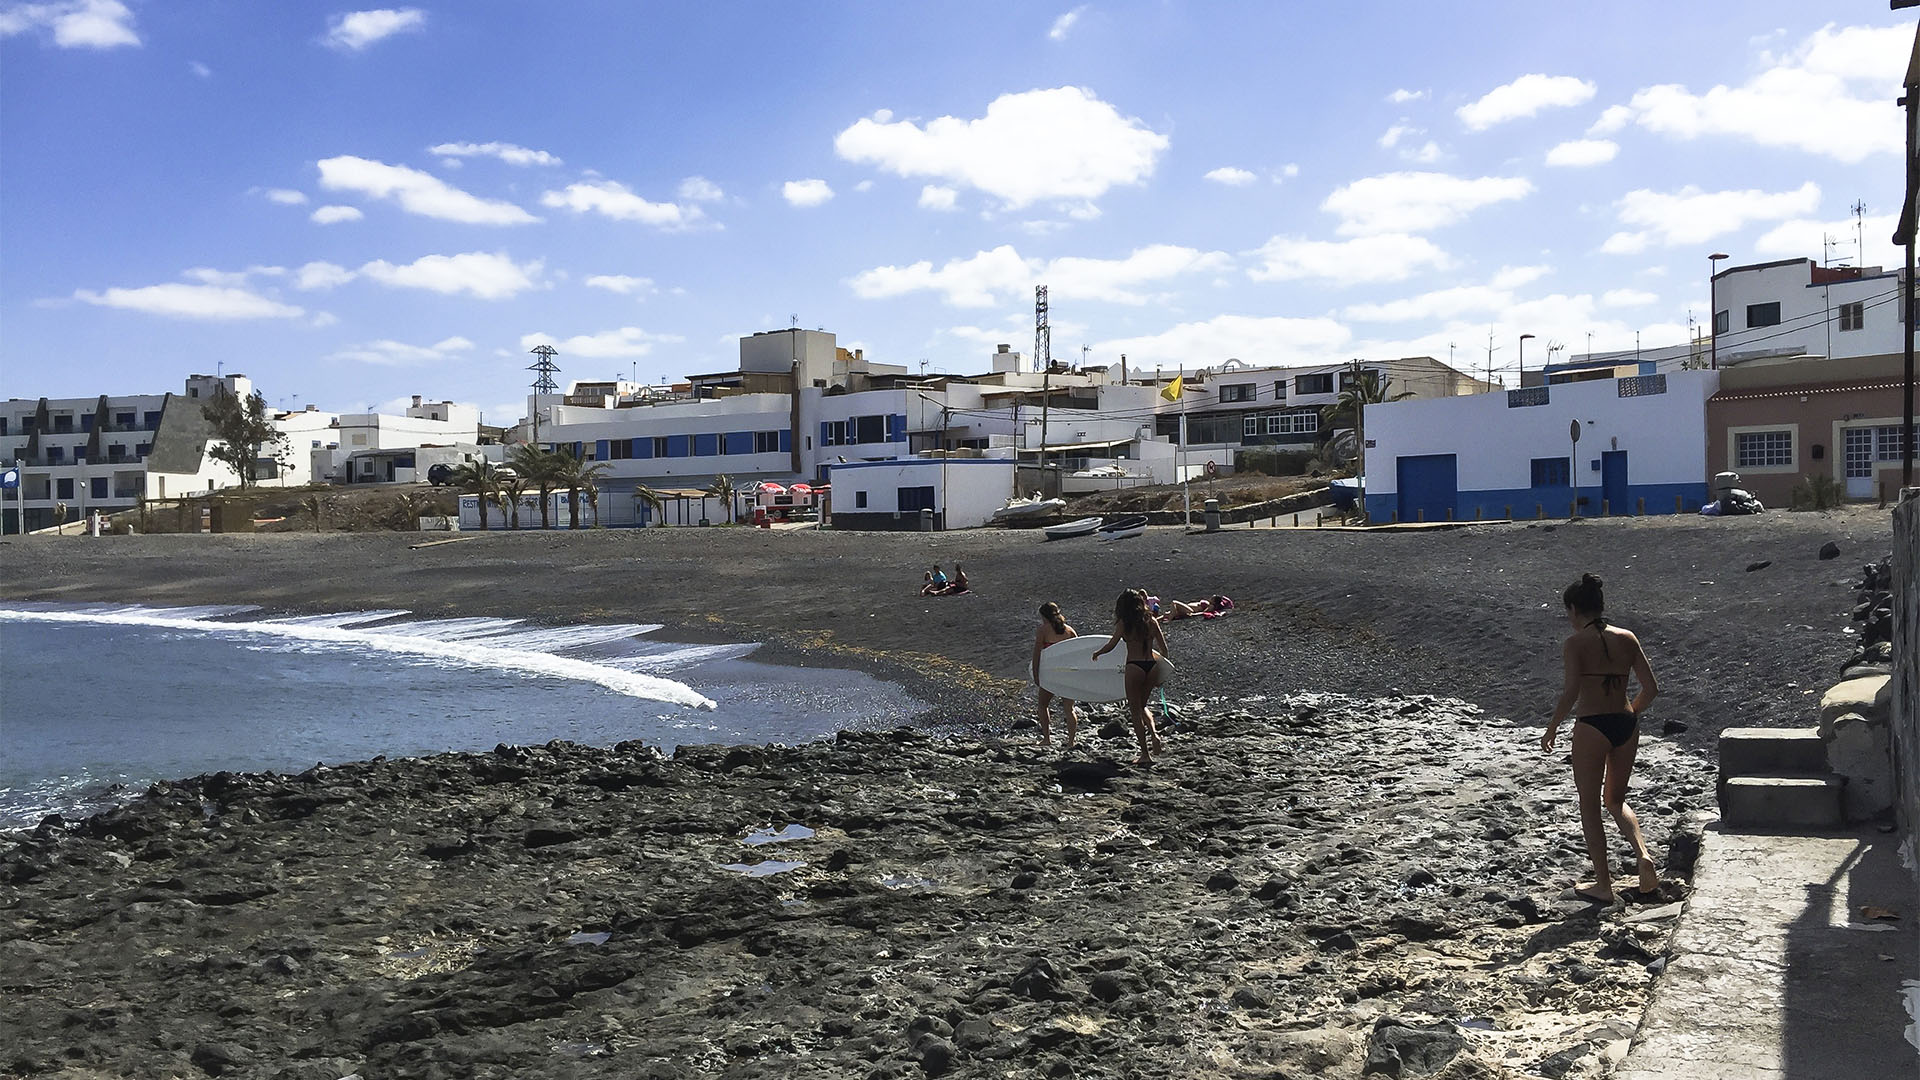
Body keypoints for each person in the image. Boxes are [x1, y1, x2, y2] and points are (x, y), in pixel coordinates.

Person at [1543, 572, 1662, 904]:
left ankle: (1603, 886)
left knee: (1590, 806)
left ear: (1573, 609)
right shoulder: (1628, 637)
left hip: (1592, 725)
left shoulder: (1575, 643)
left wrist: (1552, 726)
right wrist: (1630, 714)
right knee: (1616, 800)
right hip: (1625, 723)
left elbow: (1570, 693)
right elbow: (1651, 689)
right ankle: (1642, 855)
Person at [1092, 588, 1170, 765]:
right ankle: (1154, 735)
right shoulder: (1151, 621)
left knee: (1135, 711)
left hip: (1134, 667)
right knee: (1143, 705)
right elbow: (1164, 649)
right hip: (1152, 666)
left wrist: (1098, 653)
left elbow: (1111, 645)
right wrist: (1163, 673)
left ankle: (1145, 754)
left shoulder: (1124, 623)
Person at [1030, 601, 1080, 749]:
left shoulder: (1043, 630)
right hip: (1068, 674)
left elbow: (1037, 654)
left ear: (1044, 616)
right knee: (1069, 709)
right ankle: (1071, 741)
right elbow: (1079, 654)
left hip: (1052, 675)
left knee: (1042, 705)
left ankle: (1047, 738)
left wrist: (1036, 673)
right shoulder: (1070, 630)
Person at [1158, 594, 1233, 621]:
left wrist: (1194, 615)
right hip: (1188, 608)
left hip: (1191, 610)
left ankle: (1169, 621)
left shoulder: (1211, 606)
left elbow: (1204, 613)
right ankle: (1154, 621)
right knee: (1167, 614)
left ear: (1214, 601)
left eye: (1212, 598)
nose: (1210, 598)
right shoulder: (1210, 604)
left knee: (1174, 602)